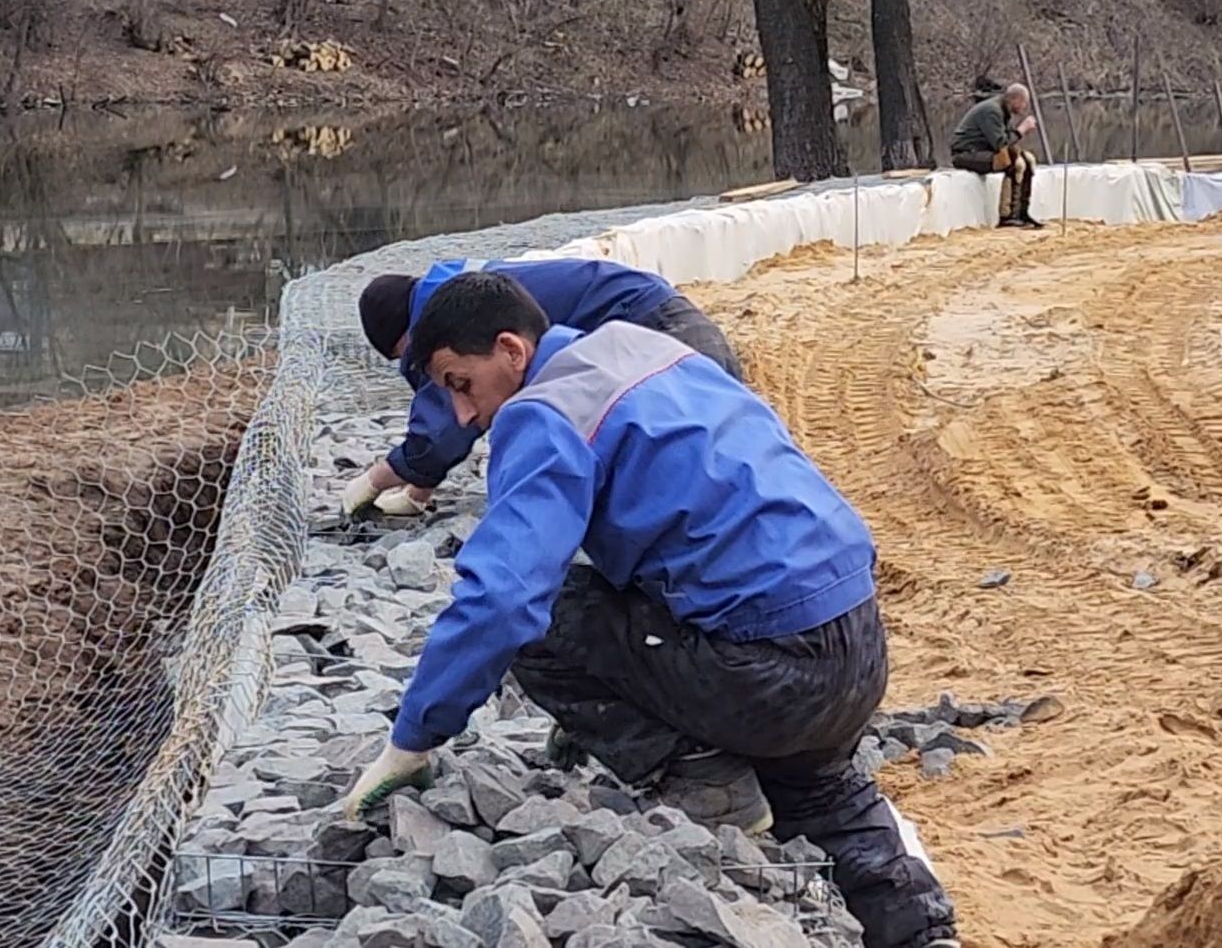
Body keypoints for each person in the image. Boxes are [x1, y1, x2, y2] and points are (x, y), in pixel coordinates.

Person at [340, 272, 960, 948]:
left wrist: (413, 740)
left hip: (766, 669)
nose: (462, 415)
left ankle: (702, 775)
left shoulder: (544, 413)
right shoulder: (643, 349)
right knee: (815, 784)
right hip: (857, 642)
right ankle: (921, 932)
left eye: (460, 384)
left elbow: (503, 598)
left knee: (547, 616)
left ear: (512, 350)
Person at [340, 257, 741, 518]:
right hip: (667, 322)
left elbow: (446, 424)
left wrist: (379, 477)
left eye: (411, 358)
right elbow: (464, 407)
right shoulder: (463, 286)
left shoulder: (454, 317)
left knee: (695, 475)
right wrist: (419, 490)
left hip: (663, 332)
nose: (423, 373)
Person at [950, 82, 1042, 228]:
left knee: (1027, 160)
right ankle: (1007, 215)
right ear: (1015, 99)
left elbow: (1006, 142)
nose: (1025, 107)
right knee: (1011, 162)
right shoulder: (992, 111)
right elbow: (1000, 143)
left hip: (982, 151)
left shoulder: (1002, 111)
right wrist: (1022, 129)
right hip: (966, 154)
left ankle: (1022, 212)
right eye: (1024, 103)